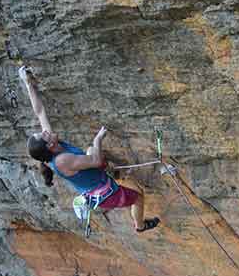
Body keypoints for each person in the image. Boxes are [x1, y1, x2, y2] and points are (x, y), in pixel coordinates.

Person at [18, 66, 159, 232]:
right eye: (44, 135)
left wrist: (28, 85)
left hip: (94, 179)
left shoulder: (53, 147)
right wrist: (98, 138)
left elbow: (40, 112)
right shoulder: (62, 160)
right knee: (138, 197)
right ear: (49, 145)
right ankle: (140, 225)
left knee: (90, 149)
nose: (45, 131)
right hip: (105, 194)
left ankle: (111, 172)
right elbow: (95, 161)